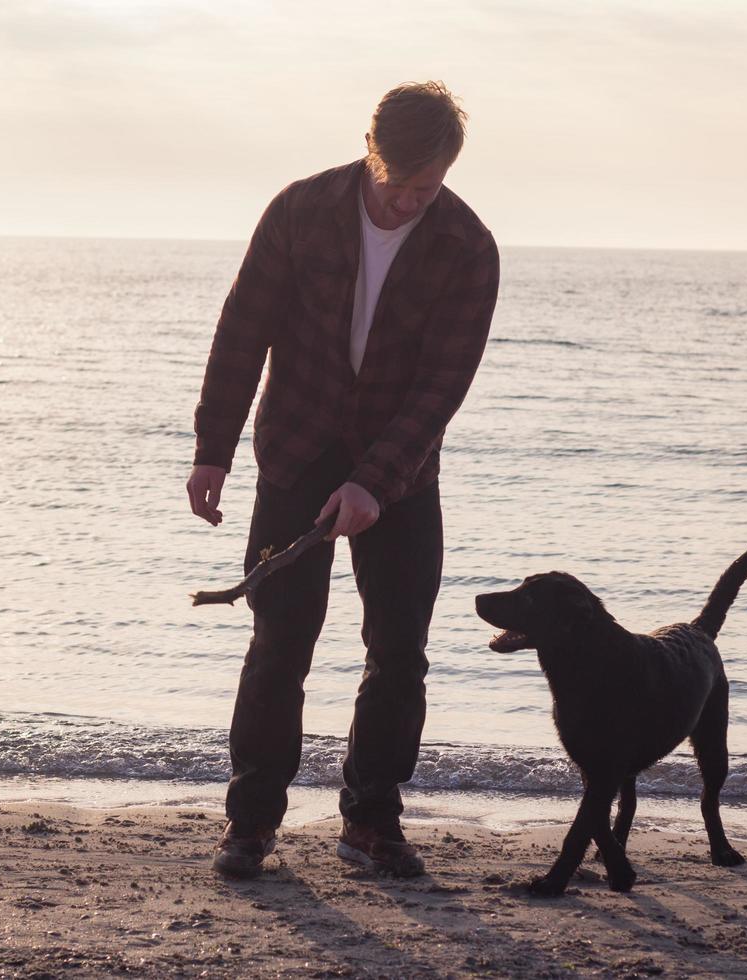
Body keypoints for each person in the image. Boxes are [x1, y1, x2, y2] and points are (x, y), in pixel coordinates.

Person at [186, 81, 500, 879]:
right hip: (293, 454)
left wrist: (373, 482)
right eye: (395, 186)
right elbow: (241, 330)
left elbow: (443, 386)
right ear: (371, 151)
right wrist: (212, 448)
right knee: (278, 643)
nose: (404, 205)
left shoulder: (468, 246)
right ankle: (250, 825)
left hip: (400, 473)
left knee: (398, 653)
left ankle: (369, 822)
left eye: (424, 191)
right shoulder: (300, 210)